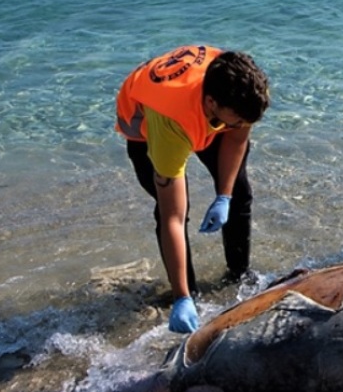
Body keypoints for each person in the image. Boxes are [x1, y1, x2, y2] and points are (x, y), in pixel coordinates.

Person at [116, 45, 270, 333]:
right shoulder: (171, 123)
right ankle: (188, 296)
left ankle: (239, 276)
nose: (241, 126)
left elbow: (236, 139)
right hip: (147, 126)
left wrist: (224, 196)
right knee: (173, 213)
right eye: (236, 121)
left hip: (203, 108)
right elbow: (172, 216)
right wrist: (181, 298)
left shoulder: (245, 91)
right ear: (211, 103)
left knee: (239, 193)